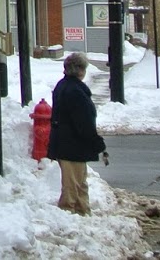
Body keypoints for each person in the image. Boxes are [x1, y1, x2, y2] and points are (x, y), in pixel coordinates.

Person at [48, 51, 107, 214]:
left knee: (79, 183)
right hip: (73, 146)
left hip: (64, 143)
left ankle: (82, 213)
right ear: (80, 70)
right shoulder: (76, 92)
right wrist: (97, 143)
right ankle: (69, 215)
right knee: (73, 185)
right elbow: (84, 123)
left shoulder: (63, 86)